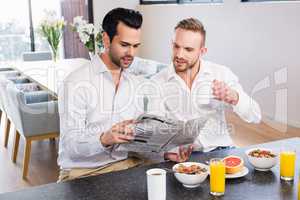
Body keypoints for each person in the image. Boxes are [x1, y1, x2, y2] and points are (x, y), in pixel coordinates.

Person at [57, 8, 191, 182]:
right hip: (83, 173)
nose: (131, 54)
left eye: (136, 46)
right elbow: (70, 146)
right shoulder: (76, 82)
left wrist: (165, 154)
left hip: (127, 166)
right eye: (124, 45)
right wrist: (104, 139)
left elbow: (135, 144)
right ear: (106, 39)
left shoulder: (135, 83)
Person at [148, 18, 262, 156]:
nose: (179, 54)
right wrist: (168, 153)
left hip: (221, 149)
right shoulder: (157, 82)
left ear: (202, 51)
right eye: (176, 46)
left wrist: (234, 97)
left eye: (188, 49)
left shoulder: (221, 73)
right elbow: (155, 131)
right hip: (183, 156)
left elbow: (255, 116)